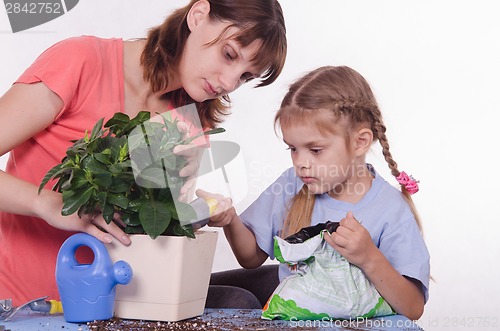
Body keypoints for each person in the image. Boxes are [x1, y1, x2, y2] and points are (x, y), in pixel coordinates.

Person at [0, 0, 287, 305]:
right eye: (229, 54)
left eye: (245, 77)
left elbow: (152, 235)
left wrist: (196, 216)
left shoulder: (190, 121)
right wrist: (46, 202)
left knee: (266, 285)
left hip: (119, 307)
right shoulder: (82, 62)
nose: (229, 83)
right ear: (198, 15)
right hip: (25, 305)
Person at [199, 66, 430, 320]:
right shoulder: (291, 184)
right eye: (293, 149)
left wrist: (369, 257)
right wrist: (230, 219)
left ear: (360, 142)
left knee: (236, 300)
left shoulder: (390, 210)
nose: (301, 163)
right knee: (202, 294)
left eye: (316, 150)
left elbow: (413, 307)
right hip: (290, 313)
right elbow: (251, 257)